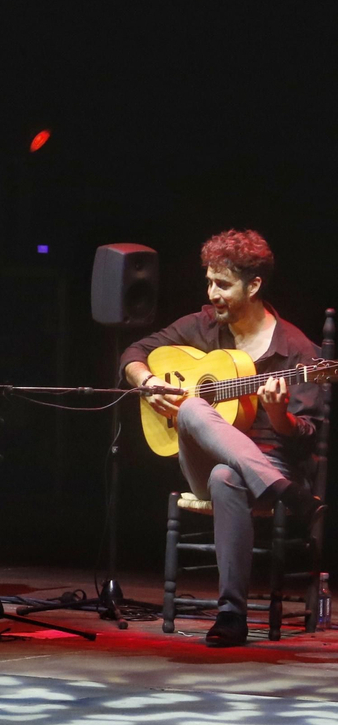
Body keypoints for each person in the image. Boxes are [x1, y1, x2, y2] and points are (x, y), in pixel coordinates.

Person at [121, 229, 320, 647]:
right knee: (193, 408)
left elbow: (305, 436)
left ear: (254, 285)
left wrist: (278, 414)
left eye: (223, 285)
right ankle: (286, 492)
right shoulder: (203, 327)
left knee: (226, 478)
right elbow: (133, 353)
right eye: (209, 281)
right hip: (209, 462)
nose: (212, 293)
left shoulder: (298, 351)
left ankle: (231, 614)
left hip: (266, 466)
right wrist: (150, 382)